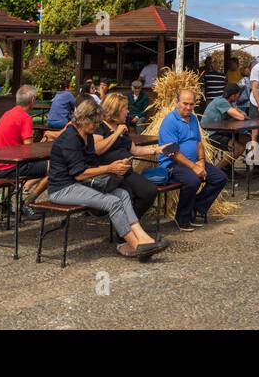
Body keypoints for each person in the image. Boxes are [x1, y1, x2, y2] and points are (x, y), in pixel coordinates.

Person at [46, 100, 168, 260]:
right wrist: (110, 168)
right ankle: (137, 246)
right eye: (94, 122)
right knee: (112, 202)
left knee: (123, 194)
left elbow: (91, 163)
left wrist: (117, 165)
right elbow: (80, 174)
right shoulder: (70, 139)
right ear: (83, 119)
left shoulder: (86, 136)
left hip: (79, 183)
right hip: (62, 189)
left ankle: (143, 237)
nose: (96, 126)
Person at [158, 89, 228, 231]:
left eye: (191, 104)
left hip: (192, 162)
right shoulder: (169, 121)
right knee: (193, 180)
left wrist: (201, 161)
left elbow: (198, 142)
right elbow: (173, 152)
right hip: (172, 164)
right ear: (177, 103)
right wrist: (194, 167)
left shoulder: (193, 119)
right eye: (185, 103)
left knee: (220, 177)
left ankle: (195, 207)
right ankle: (182, 218)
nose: (188, 107)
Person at [96, 92, 165, 220]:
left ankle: (130, 225)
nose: (128, 112)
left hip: (126, 172)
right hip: (109, 173)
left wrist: (157, 150)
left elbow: (135, 149)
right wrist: (116, 133)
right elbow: (97, 149)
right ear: (115, 110)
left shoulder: (121, 126)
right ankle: (126, 230)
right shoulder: (100, 127)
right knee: (129, 193)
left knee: (150, 191)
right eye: (125, 108)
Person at [0, 86, 59, 217]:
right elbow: (29, 150)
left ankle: (3, 200)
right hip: (12, 167)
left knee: (26, 166)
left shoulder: (7, 113)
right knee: (56, 166)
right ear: (33, 100)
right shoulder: (25, 118)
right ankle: (26, 204)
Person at [201, 82, 248, 160]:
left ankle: (227, 168)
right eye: (238, 95)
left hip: (220, 131)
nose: (239, 97)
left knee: (247, 139)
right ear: (233, 96)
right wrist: (238, 112)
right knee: (238, 148)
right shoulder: (222, 102)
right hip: (210, 135)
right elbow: (241, 117)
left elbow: (244, 115)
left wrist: (238, 111)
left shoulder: (228, 102)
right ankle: (218, 169)